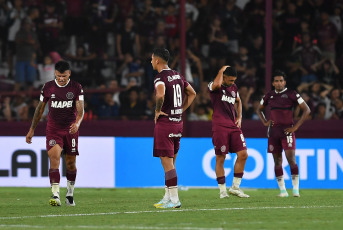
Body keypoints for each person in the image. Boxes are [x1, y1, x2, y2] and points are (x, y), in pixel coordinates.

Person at [25, 60, 84, 206]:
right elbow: (39, 109)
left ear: (69, 73)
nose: (61, 79)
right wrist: (32, 129)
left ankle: (69, 194)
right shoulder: (48, 87)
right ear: (55, 74)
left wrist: (77, 123)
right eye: (58, 76)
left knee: (70, 163)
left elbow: (81, 110)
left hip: (70, 129)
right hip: (53, 129)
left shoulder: (76, 87)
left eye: (64, 76)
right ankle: (55, 194)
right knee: (54, 158)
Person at [151, 48, 196, 208]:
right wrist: (181, 109)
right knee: (171, 163)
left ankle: (175, 200)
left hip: (166, 123)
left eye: (151, 59)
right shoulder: (177, 75)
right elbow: (192, 93)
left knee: (167, 163)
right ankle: (167, 197)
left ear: (156, 60)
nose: (151, 61)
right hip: (178, 123)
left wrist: (157, 110)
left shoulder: (159, 77)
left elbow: (161, 94)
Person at [256, 70, 310, 197]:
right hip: (273, 132)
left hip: (287, 131)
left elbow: (307, 110)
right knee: (277, 161)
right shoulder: (269, 95)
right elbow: (259, 109)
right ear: (273, 83)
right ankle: (283, 191)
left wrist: (295, 127)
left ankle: (295, 189)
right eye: (276, 81)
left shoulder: (292, 94)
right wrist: (264, 121)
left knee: (291, 159)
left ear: (284, 82)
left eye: (281, 81)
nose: (279, 83)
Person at [208, 65, 250, 199]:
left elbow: (238, 101)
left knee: (243, 154)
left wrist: (240, 116)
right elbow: (216, 84)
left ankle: (235, 188)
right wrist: (220, 70)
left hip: (233, 126)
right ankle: (222, 191)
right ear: (223, 77)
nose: (233, 83)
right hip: (219, 126)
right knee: (221, 158)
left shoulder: (234, 88)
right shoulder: (214, 86)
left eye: (234, 80)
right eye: (230, 80)